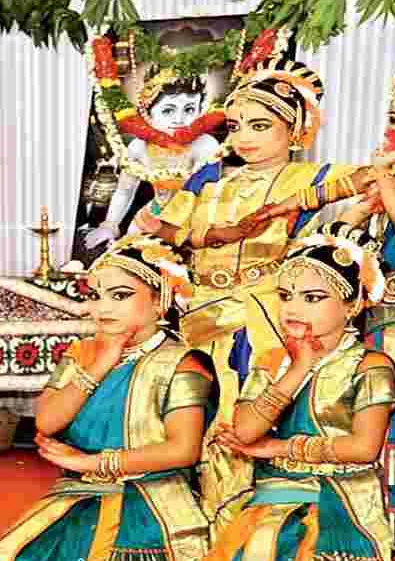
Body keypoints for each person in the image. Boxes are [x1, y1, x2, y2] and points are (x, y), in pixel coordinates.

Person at [244, 55, 395, 561]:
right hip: (383, 319)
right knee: (386, 416)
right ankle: (385, 528)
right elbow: (344, 235)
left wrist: (384, 179)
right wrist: (355, 205)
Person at [137, 56, 359, 532]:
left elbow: (375, 178)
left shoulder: (309, 176)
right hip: (199, 311)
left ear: (296, 131)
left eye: (260, 126)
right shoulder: (210, 177)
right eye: (236, 126)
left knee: (244, 411)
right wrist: (213, 237)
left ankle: (239, 524)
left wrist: (296, 203)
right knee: (188, 409)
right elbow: (159, 227)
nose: (244, 138)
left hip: (260, 313)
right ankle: (187, 522)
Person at [189, 223, 395, 561]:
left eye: (312, 298)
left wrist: (279, 447)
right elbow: (245, 431)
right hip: (275, 495)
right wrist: (298, 368)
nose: (293, 309)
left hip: (338, 498)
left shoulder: (370, 366)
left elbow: (364, 449)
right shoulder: (275, 361)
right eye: (285, 296)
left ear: (352, 305)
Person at [0, 235, 217, 561]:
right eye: (96, 295)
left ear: (160, 300)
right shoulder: (84, 353)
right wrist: (102, 362)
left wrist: (93, 463)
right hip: (82, 492)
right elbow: (47, 421)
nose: (103, 307)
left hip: (150, 497)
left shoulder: (182, 363)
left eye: (120, 295)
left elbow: (183, 450)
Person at [84, 66, 223, 250]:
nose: (179, 119)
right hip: (151, 217)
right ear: (148, 112)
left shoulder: (206, 145)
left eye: (189, 109)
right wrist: (110, 225)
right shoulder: (139, 147)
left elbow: (210, 199)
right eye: (168, 111)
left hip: (195, 224)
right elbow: (125, 191)